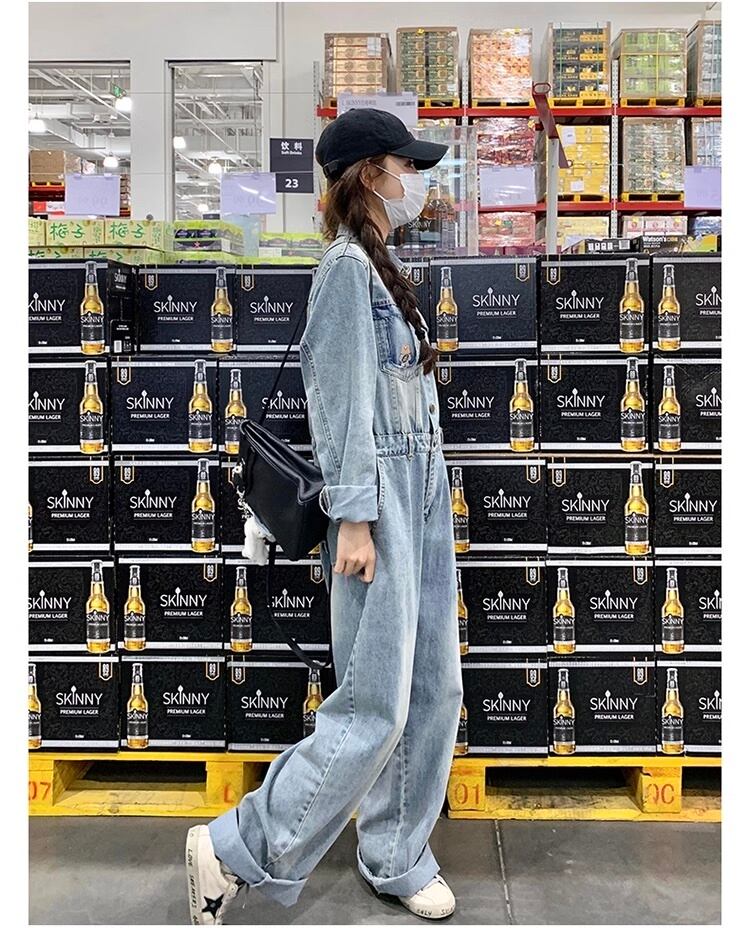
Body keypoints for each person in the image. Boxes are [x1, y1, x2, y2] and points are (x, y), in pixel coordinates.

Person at [185, 108, 464, 926]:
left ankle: (395, 853)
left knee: (432, 689)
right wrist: (353, 516)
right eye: (404, 167)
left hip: (421, 493)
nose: (415, 182)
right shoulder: (344, 269)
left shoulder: (379, 264)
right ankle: (235, 846)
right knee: (373, 704)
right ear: (369, 174)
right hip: (378, 502)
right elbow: (337, 402)